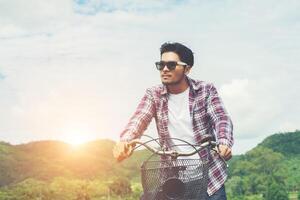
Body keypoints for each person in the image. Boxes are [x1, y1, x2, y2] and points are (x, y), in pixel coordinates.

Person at [113, 42, 233, 199]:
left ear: (187, 68)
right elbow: (139, 119)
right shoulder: (153, 94)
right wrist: (125, 141)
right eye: (161, 64)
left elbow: (221, 118)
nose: (164, 69)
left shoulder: (205, 90)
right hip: (172, 179)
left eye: (171, 65)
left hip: (209, 177)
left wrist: (224, 142)